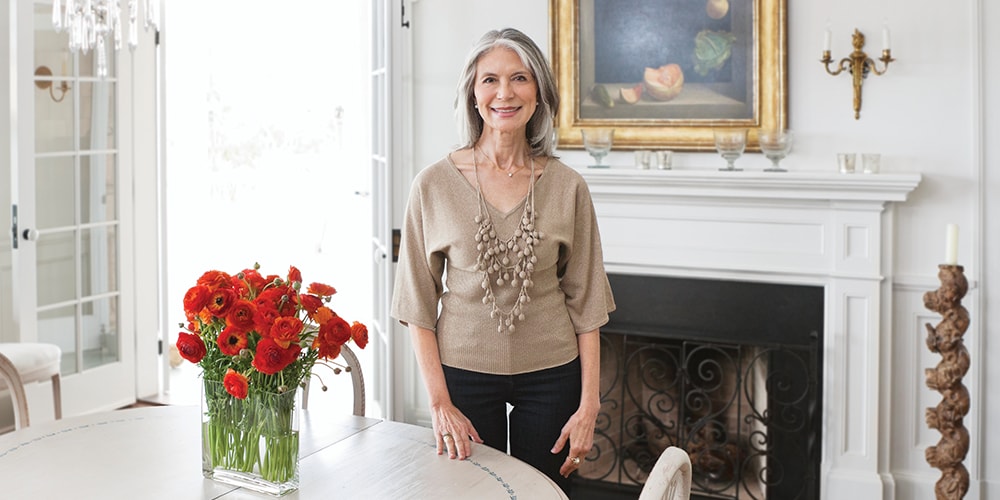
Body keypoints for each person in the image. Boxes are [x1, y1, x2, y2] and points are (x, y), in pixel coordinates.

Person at [390, 27, 615, 494]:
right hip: (463, 376)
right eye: (490, 80)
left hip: (553, 375)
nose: (505, 93)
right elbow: (416, 304)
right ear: (473, 94)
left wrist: (589, 404)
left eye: (520, 79)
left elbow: (587, 301)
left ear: (539, 94)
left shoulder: (568, 186)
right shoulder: (432, 185)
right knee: (473, 493)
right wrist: (438, 403)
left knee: (544, 493)